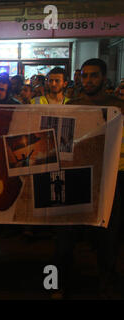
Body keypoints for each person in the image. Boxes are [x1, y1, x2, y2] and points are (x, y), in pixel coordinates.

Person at [55, 58, 124, 299]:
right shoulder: (72, 105)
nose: (88, 80)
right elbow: (63, 142)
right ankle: (60, 281)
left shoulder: (119, 107)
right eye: (84, 76)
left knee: (108, 232)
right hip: (76, 175)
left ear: (104, 78)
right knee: (66, 231)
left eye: (93, 76)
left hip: (111, 178)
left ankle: (106, 279)